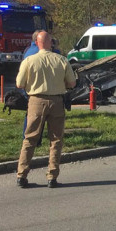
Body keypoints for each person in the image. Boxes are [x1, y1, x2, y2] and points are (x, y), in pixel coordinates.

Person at [15, 30, 76, 188]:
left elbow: (19, 84)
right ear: (51, 43)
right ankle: (52, 176)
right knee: (56, 140)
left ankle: (22, 175)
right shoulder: (61, 60)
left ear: (37, 43)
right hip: (56, 101)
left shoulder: (29, 60)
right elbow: (72, 83)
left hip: (36, 101)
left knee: (30, 138)